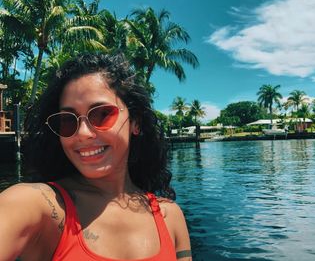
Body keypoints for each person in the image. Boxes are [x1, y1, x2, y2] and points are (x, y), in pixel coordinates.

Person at [0, 53, 192, 260]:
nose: (82, 133)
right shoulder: (37, 205)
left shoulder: (170, 216)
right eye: (68, 121)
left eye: (101, 114)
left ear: (135, 122)